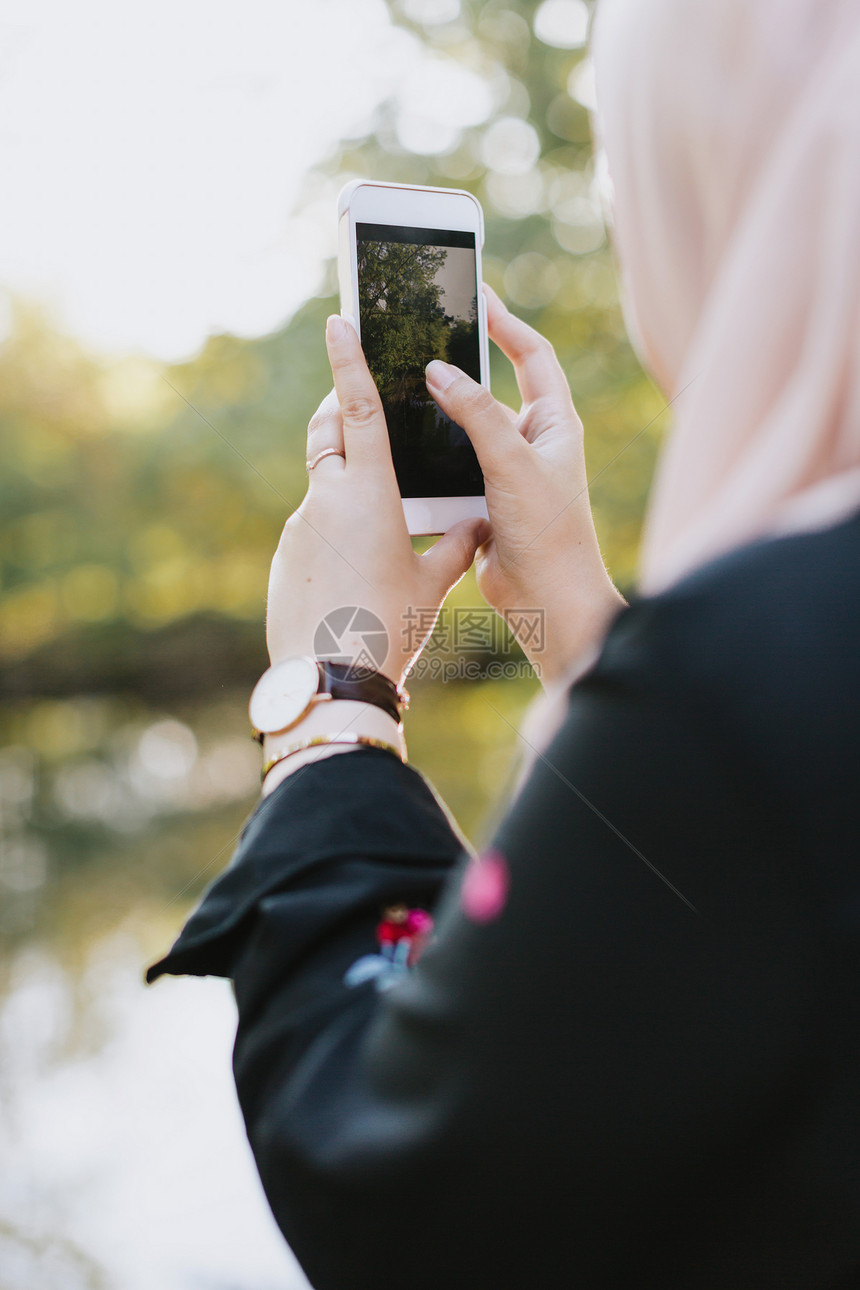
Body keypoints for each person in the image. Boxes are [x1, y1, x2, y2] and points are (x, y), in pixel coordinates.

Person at [145, 0, 860, 1285]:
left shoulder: (762, 660)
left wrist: (333, 691)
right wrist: (574, 615)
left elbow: (399, 1184)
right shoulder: (774, 667)